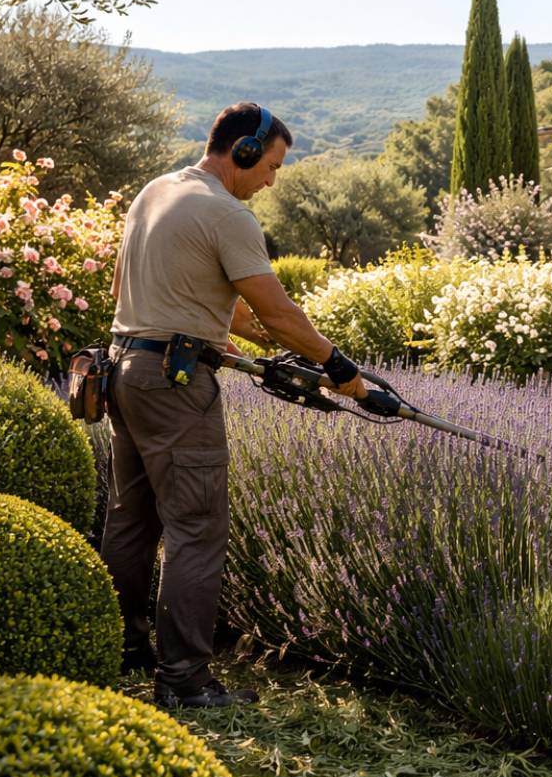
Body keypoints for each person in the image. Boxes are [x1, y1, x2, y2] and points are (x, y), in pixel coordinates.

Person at [102, 101, 368, 708]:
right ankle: (185, 682)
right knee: (197, 529)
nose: (272, 180)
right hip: (174, 386)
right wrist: (339, 369)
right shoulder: (228, 214)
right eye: (271, 166)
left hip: (124, 369)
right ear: (243, 152)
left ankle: (123, 651)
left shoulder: (156, 191)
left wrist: (229, 336)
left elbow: (129, 291)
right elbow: (279, 312)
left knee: (132, 522)